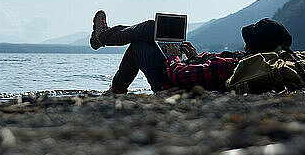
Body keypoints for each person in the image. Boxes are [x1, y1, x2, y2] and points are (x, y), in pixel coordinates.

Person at [89, 10, 293, 94]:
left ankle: (103, 38)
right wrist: (195, 57)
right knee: (148, 33)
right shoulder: (254, 63)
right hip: (178, 74)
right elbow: (207, 69)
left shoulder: (233, 65)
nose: (244, 45)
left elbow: (181, 75)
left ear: (252, 46)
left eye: (247, 41)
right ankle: (115, 89)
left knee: (146, 34)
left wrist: (173, 56)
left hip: (169, 84)